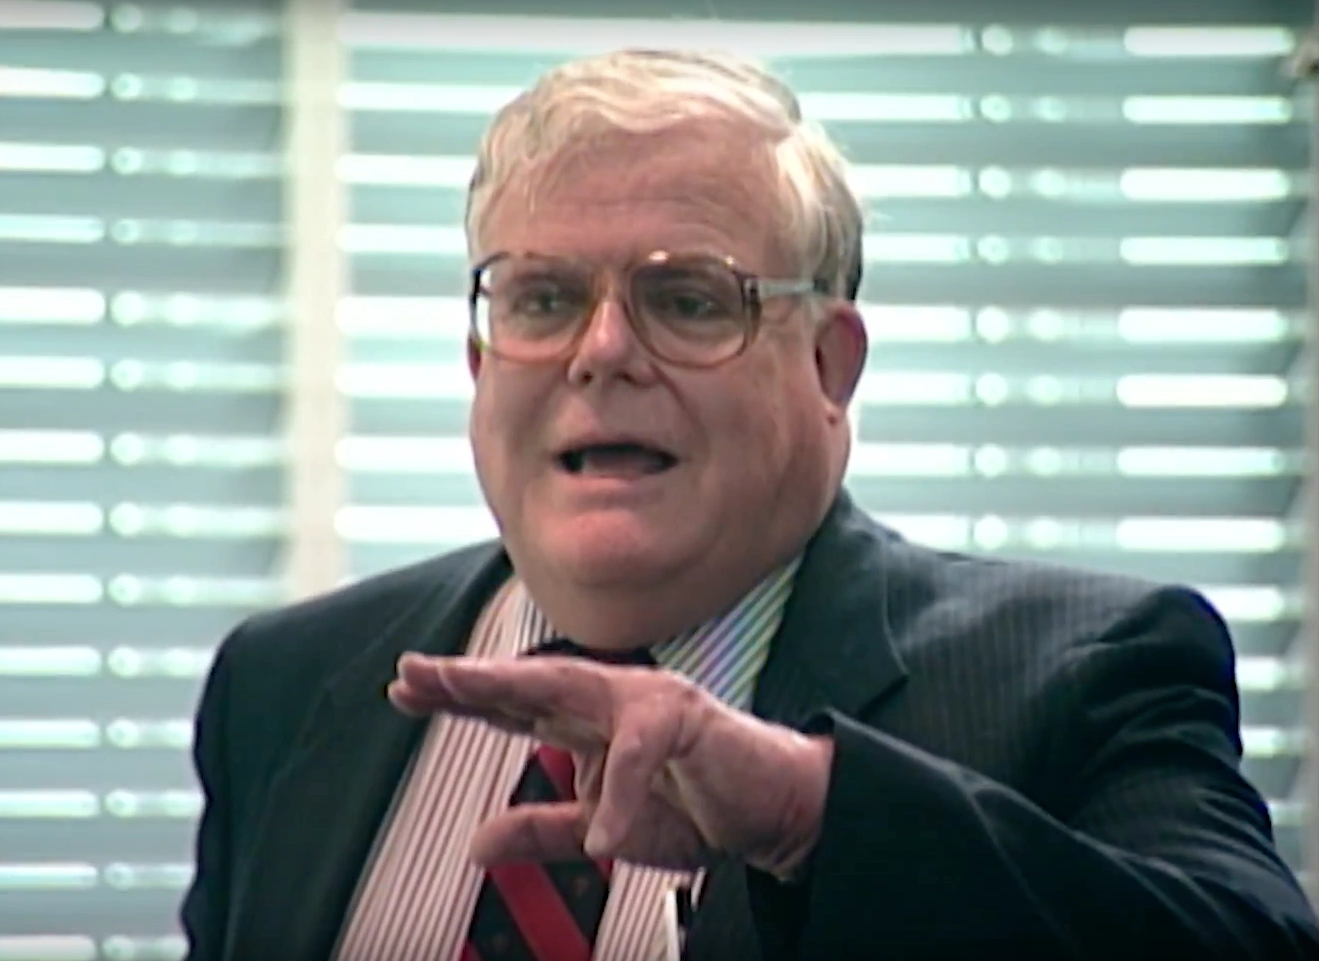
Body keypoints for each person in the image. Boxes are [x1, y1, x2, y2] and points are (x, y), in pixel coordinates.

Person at [179, 49, 1319, 961]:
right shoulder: (284, 684)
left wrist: (811, 819)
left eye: (687, 298)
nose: (602, 352)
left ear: (831, 367)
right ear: (482, 364)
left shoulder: (1084, 673)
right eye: (543, 298)